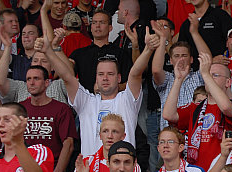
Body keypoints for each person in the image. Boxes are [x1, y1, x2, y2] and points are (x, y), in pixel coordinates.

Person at [45, 21, 155, 156]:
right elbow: (67, 77)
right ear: (96, 78)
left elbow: (135, 73)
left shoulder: (127, 99)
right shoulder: (86, 101)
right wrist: (48, 51)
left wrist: (148, 50)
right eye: (101, 74)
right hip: (91, 168)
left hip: (121, 167)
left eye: (110, 74)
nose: (105, 78)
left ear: (119, 78)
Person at [163, 53, 232, 171]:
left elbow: (226, 107)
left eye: (215, 75)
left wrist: (205, 74)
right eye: (208, 75)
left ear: (228, 82)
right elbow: (168, 114)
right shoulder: (196, 107)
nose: (208, 78)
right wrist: (178, 80)